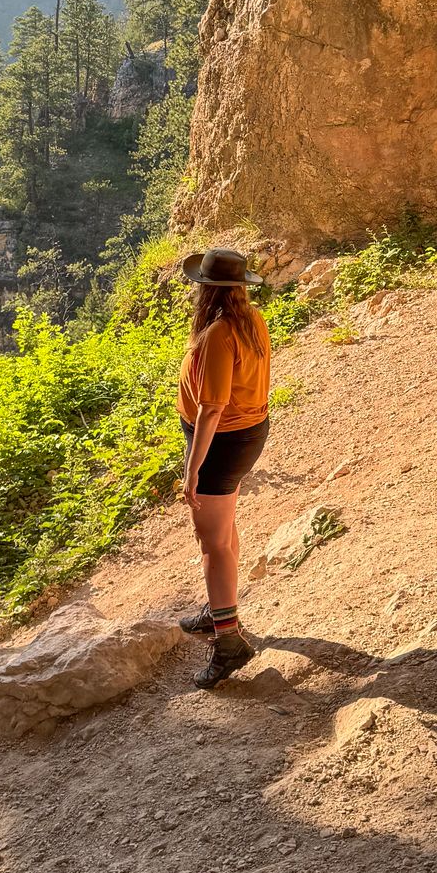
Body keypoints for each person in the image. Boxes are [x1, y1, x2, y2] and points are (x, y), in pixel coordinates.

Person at [177, 246, 271, 689]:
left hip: (220, 441)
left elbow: (211, 407)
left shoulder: (218, 333)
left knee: (212, 543)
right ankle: (220, 610)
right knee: (224, 529)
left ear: (206, 291)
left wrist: (193, 468)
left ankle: (229, 641)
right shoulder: (251, 321)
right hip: (248, 431)